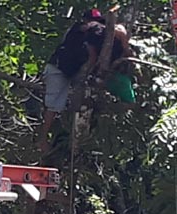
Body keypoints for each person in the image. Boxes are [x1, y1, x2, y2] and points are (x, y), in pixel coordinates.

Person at [37, 9, 134, 151]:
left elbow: (121, 45)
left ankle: (74, 140)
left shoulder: (98, 34)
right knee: (54, 105)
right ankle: (42, 139)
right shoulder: (79, 29)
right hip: (59, 70)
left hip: (72, 72)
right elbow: (92, 55)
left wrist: (123, 39)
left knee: (79, 102)